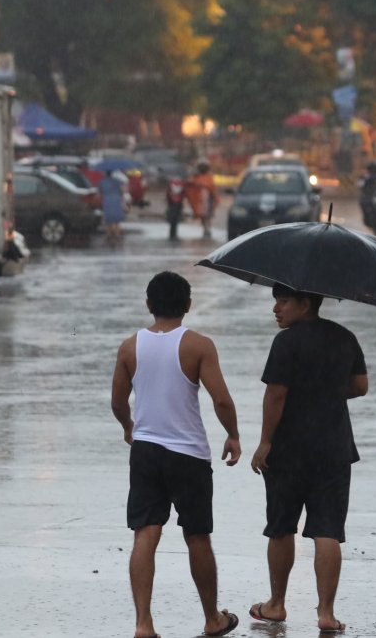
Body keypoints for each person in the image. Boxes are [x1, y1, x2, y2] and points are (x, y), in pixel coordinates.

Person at [110, 271, 242, 638]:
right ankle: (212, 618)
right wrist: (233, 434)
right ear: (187, 305)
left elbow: (118, 402)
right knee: (197, 535)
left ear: (149, 304)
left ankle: (143, 624)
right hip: (188, 455)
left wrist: (128, 427)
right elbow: (221, 399)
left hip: (147, 450)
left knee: (145, 534)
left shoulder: (129, 347)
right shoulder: (199, 345)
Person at [248, 283, 369, 634]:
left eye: (282, 302)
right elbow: (360, 386)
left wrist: (265, 442)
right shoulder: (345, 337)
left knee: (282, 526)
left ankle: (276, 605)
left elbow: (276, 395)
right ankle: (326, 613)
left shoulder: (286, 342)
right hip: (334, 448)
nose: (276, 309)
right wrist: (327, 391)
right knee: (328, 530)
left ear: (304, 303)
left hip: (288, 450)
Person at [185, 160, 219, 239]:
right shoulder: (196, 177)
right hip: (199, 200)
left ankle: (207, 229)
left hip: (208, 199)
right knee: (203, 215)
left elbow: (212, 188)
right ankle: (206, 229)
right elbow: (189, 185)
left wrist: (215, 198)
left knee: (207, 215)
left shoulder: (209, 177)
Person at [100, 168, 129, 243]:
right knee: (117, 220)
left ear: (106, 173)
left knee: (108, 219)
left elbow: (100, 191)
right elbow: (122, 191)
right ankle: (117, 234)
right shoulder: (118, 181)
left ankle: (109, 234)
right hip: (116, 200)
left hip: (107, 200)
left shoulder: (102, 182)